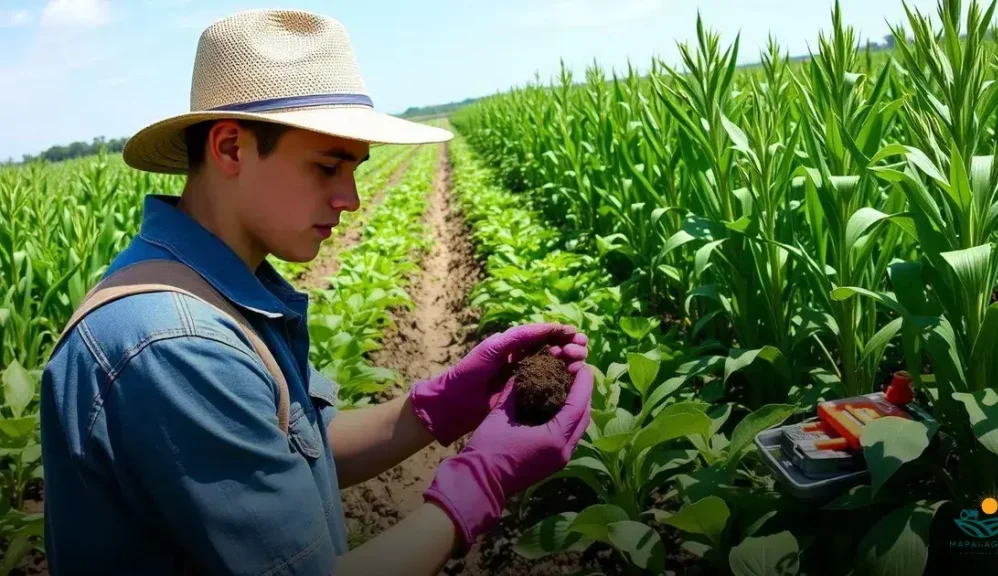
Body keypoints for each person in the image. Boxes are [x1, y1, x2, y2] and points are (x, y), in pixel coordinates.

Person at [39, 9, 593, 576]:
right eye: (328, 167)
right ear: (230, 148)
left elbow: (292, 448)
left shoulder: (216, 289)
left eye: (352, 169)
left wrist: (439, 405)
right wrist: (482, 481)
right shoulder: (174, 343)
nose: (349, 198)